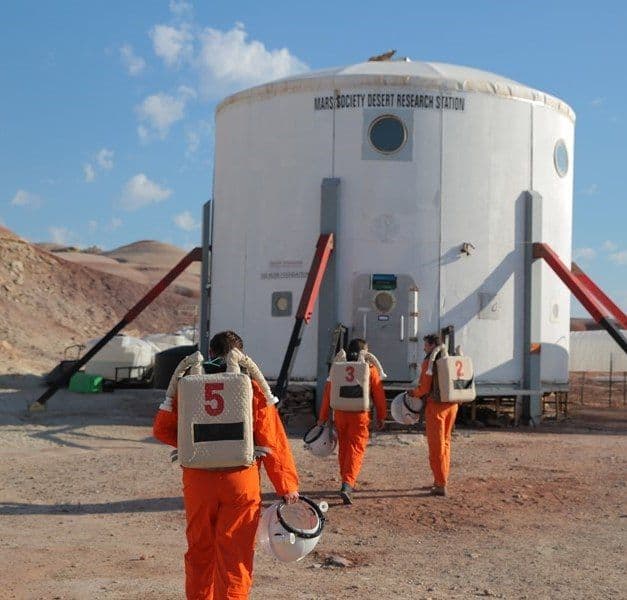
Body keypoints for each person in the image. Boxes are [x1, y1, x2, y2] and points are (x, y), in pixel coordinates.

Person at [153, 330, 300, 600]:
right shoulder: (251, 387)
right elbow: (272, 439)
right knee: (235, 554)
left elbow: (162, 430)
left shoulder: (189, 383)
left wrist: (194, 447)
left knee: (199, 550)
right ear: (241, 355)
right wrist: (286, 485)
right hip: (240, 481)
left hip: (198, 481)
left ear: (210, 353)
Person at [317, 338, 387, 505]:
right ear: (365, 351)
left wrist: (322, 417)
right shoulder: (369, 369)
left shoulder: (338, 368)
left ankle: (345, 480)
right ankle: (348, 484)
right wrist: (382, 416)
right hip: (360, 415)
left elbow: (328, 394)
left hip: (340, 413)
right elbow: (378, 394)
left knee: (344, 447)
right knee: (356, 448)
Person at [408, 333, 457, 497]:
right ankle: (440, 479)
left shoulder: (430, 361)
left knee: (436, 446)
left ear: (430, 345)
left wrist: (413, 393)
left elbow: (424, 388)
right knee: (446, 443)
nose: (423, 348)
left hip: (436, 407)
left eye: (425, 345)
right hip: (452, 405)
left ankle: (440, 484)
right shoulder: (448, 358)